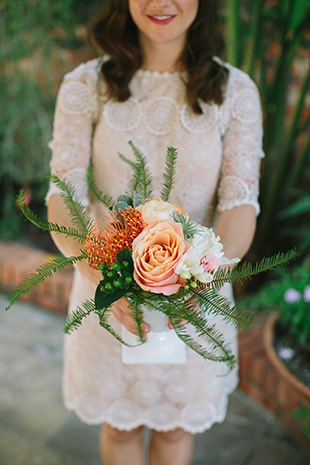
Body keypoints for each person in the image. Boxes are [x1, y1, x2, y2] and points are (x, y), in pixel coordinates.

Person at [46, 1, 264, 464]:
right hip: (108, 292)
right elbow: (63, 195)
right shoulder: (85, 86)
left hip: (195, 300)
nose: (161, 2)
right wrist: (96, 270)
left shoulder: (237, 92)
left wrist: (206, 278)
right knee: (119, 429)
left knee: (173, 433)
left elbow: (240, 203)